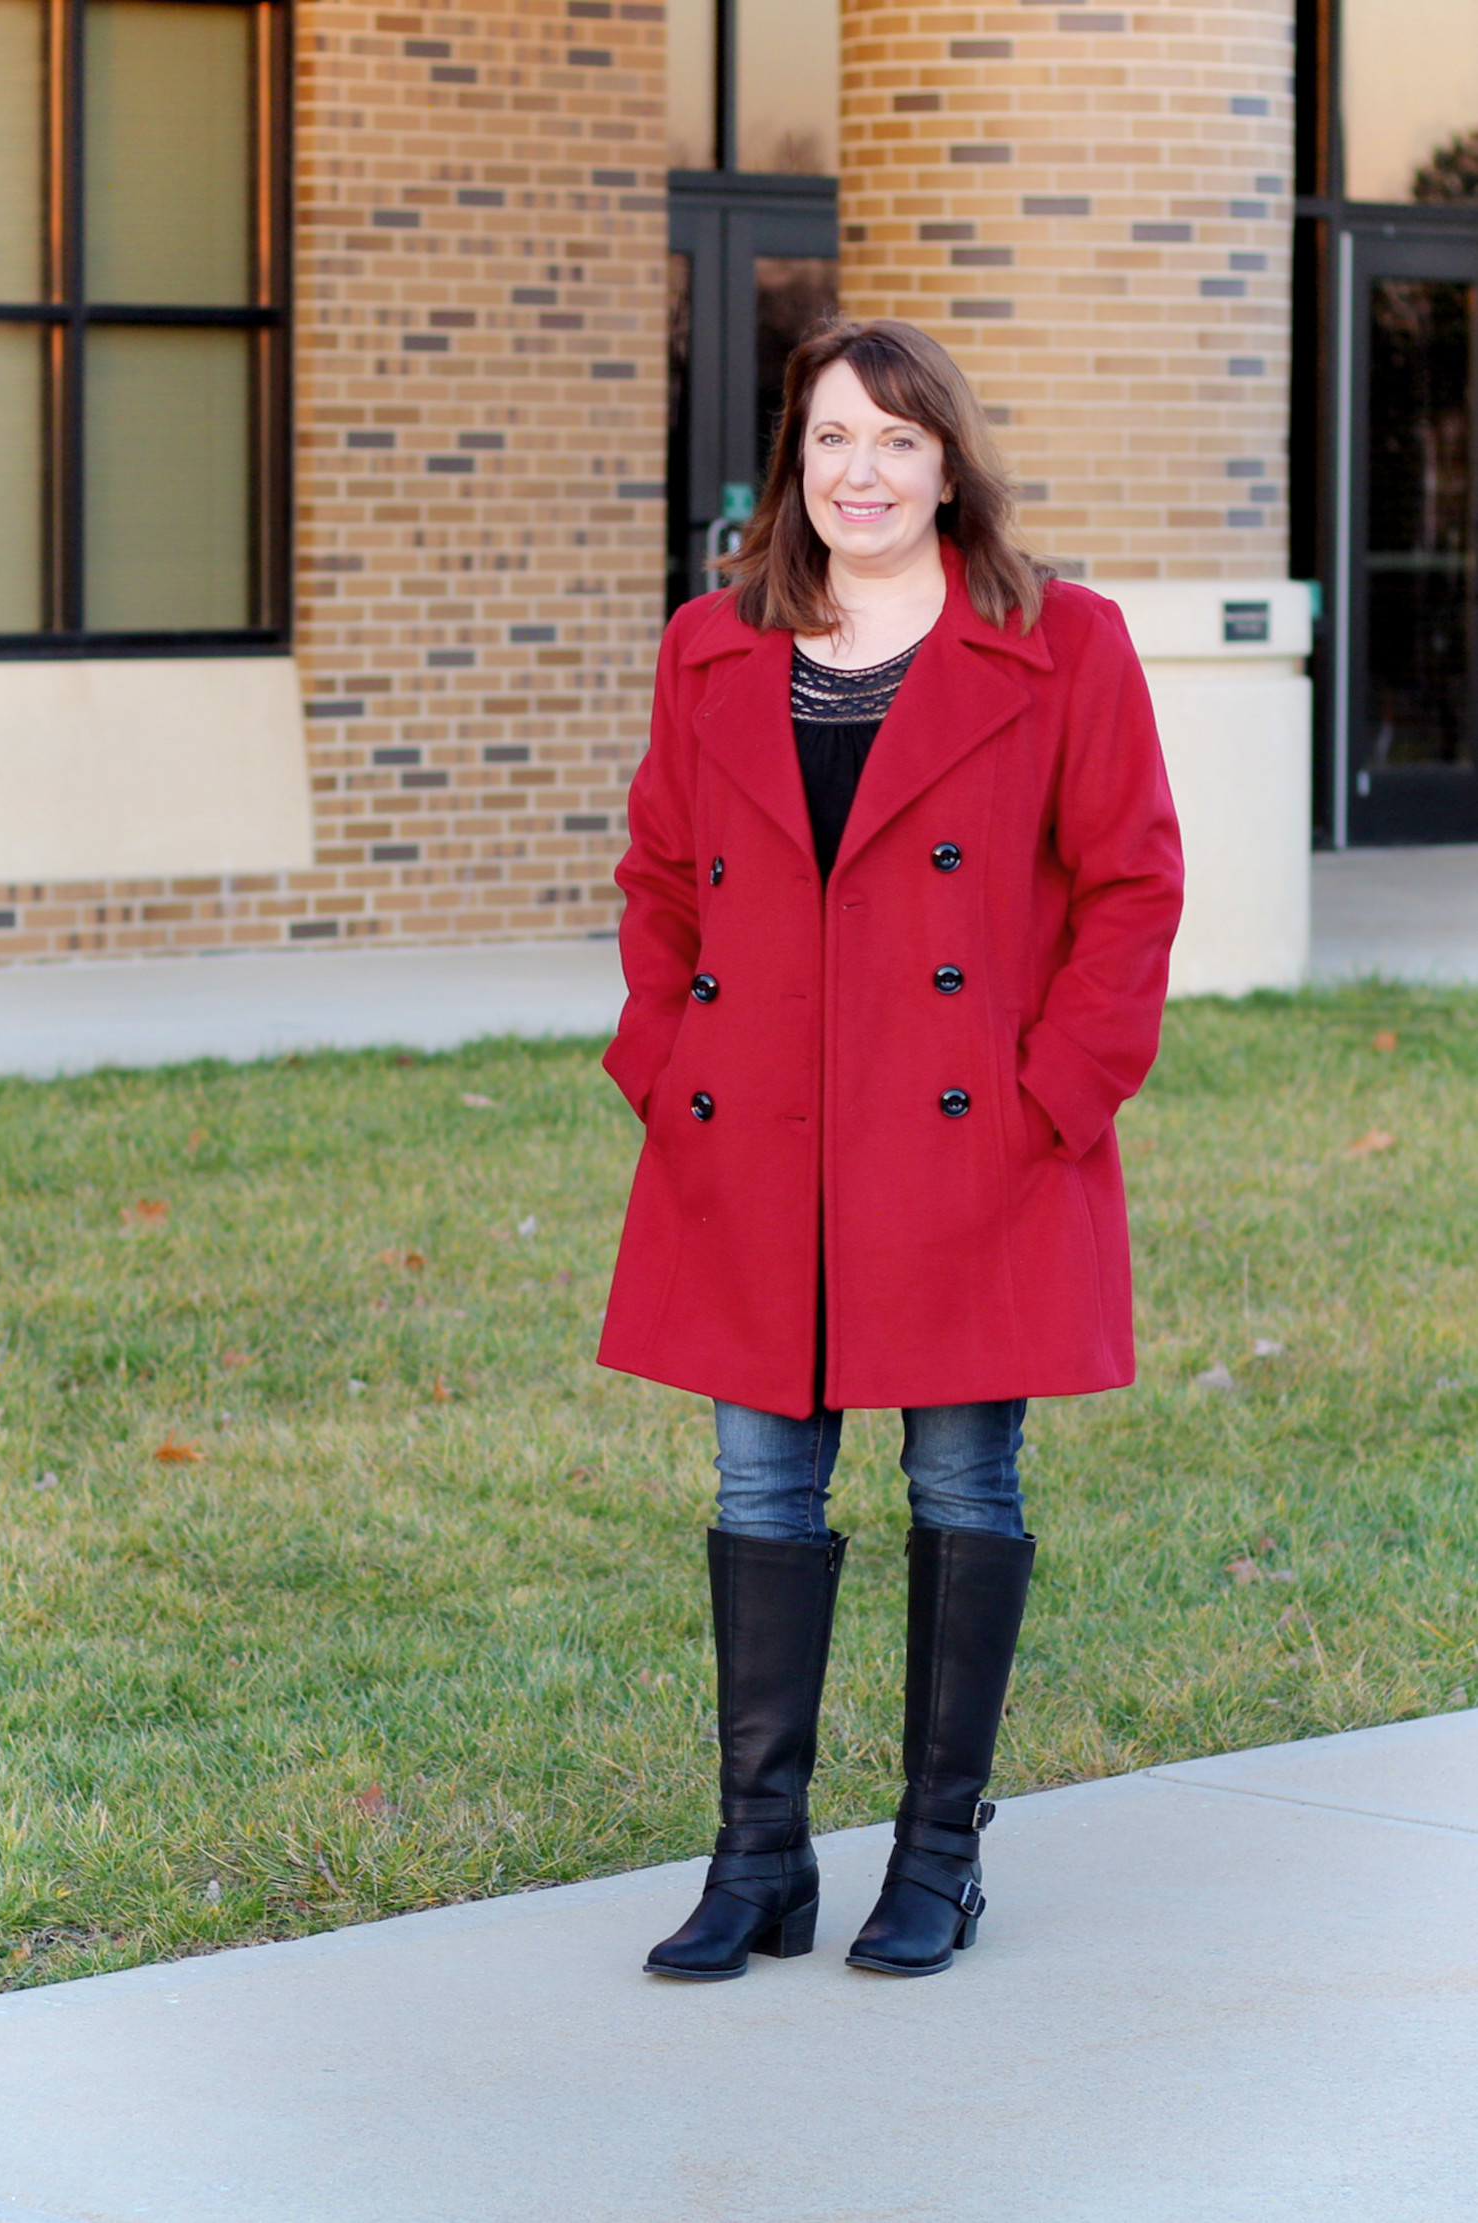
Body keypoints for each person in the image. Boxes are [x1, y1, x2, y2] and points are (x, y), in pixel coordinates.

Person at [598, 318, 1183, 1981]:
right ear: (798, 461)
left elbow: (1132, 884)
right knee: (759, 1482)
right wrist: (665, 1057)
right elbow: (659, 879)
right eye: (832, 438)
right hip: (754, 1137)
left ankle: (936, 1860)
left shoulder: (1058, 640)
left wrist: (1053, 1095)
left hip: (966, 1144)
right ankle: (758, 1859)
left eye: (896, 441)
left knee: (956, 1474)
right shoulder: (715, 642)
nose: (860, 472)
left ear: (948, 464)